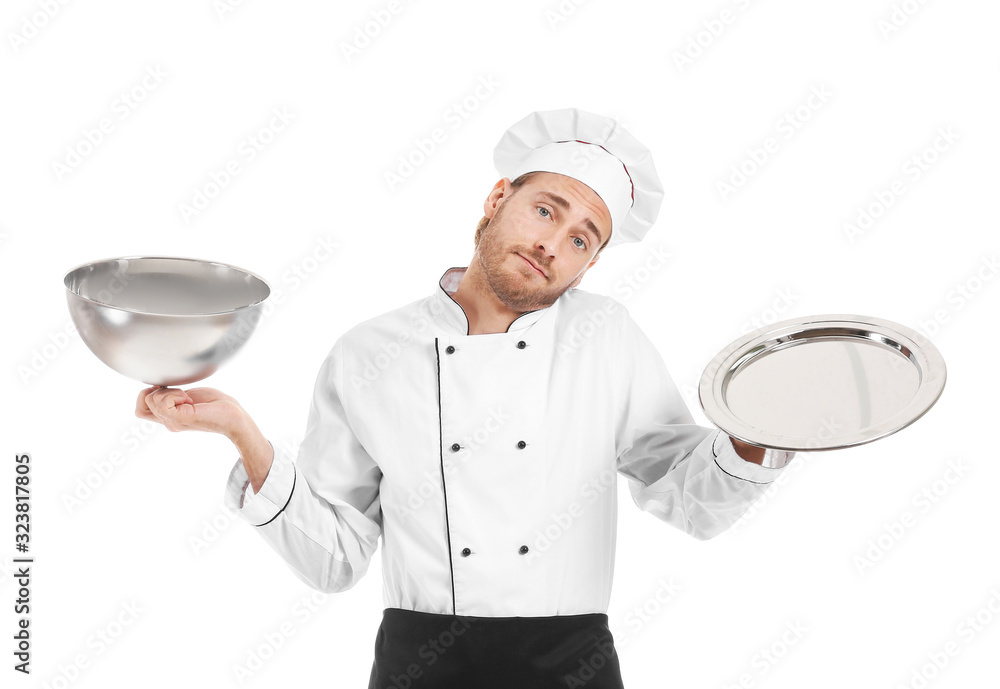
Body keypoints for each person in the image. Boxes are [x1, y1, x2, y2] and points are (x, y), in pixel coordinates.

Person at [136, 107, 795, 688]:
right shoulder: (370, 352)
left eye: (580, 240)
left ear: (589, 264)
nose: (551, 245)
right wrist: (240, 431)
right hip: (420, 661)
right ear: (497, 196)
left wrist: (760, 430)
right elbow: (333, 558)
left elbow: (688, 497)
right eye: (546, 210)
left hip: (571, 662)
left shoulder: (605, 337)